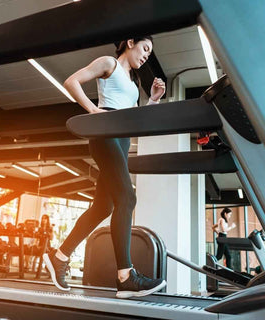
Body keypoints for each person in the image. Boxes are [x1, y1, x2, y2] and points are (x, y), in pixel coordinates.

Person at [43, 36, 167, 299]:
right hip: (105, 134)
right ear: (130, 42)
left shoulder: (135, 83)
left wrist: (153, 99)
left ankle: (59, 256)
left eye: (149, 53)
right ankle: (126, 276)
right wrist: (92, 111)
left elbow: (137, 119)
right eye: (145, 49)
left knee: (104, 206)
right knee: (127, 198)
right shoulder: (108, 63)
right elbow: (72, 81)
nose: (146, 56)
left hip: (122, 139)